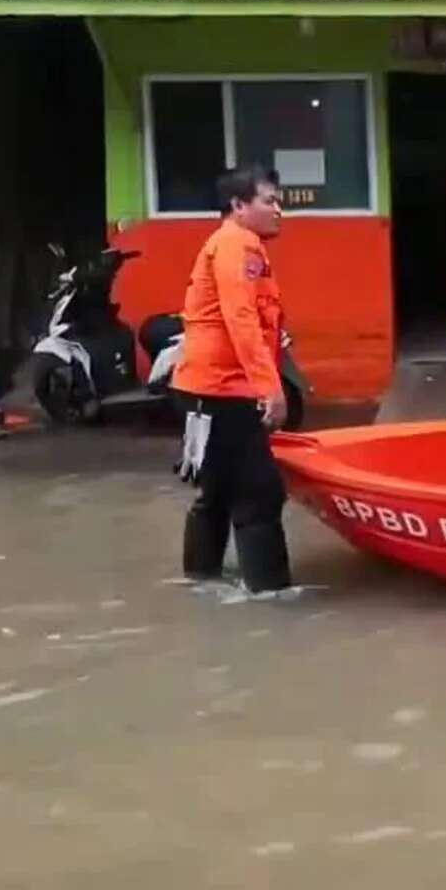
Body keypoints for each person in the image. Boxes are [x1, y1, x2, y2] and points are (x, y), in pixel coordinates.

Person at [173, 165, 293, 594]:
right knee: (259, 493)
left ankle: (200, 581)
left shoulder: (233, 243)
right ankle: (272, 594)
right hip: (223, 389)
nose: (279, 210)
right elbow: (240, 319)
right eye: (269, 200)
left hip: (206, 389)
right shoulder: (237, 245)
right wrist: (269, 388)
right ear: (239, 206)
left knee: (217, 492)